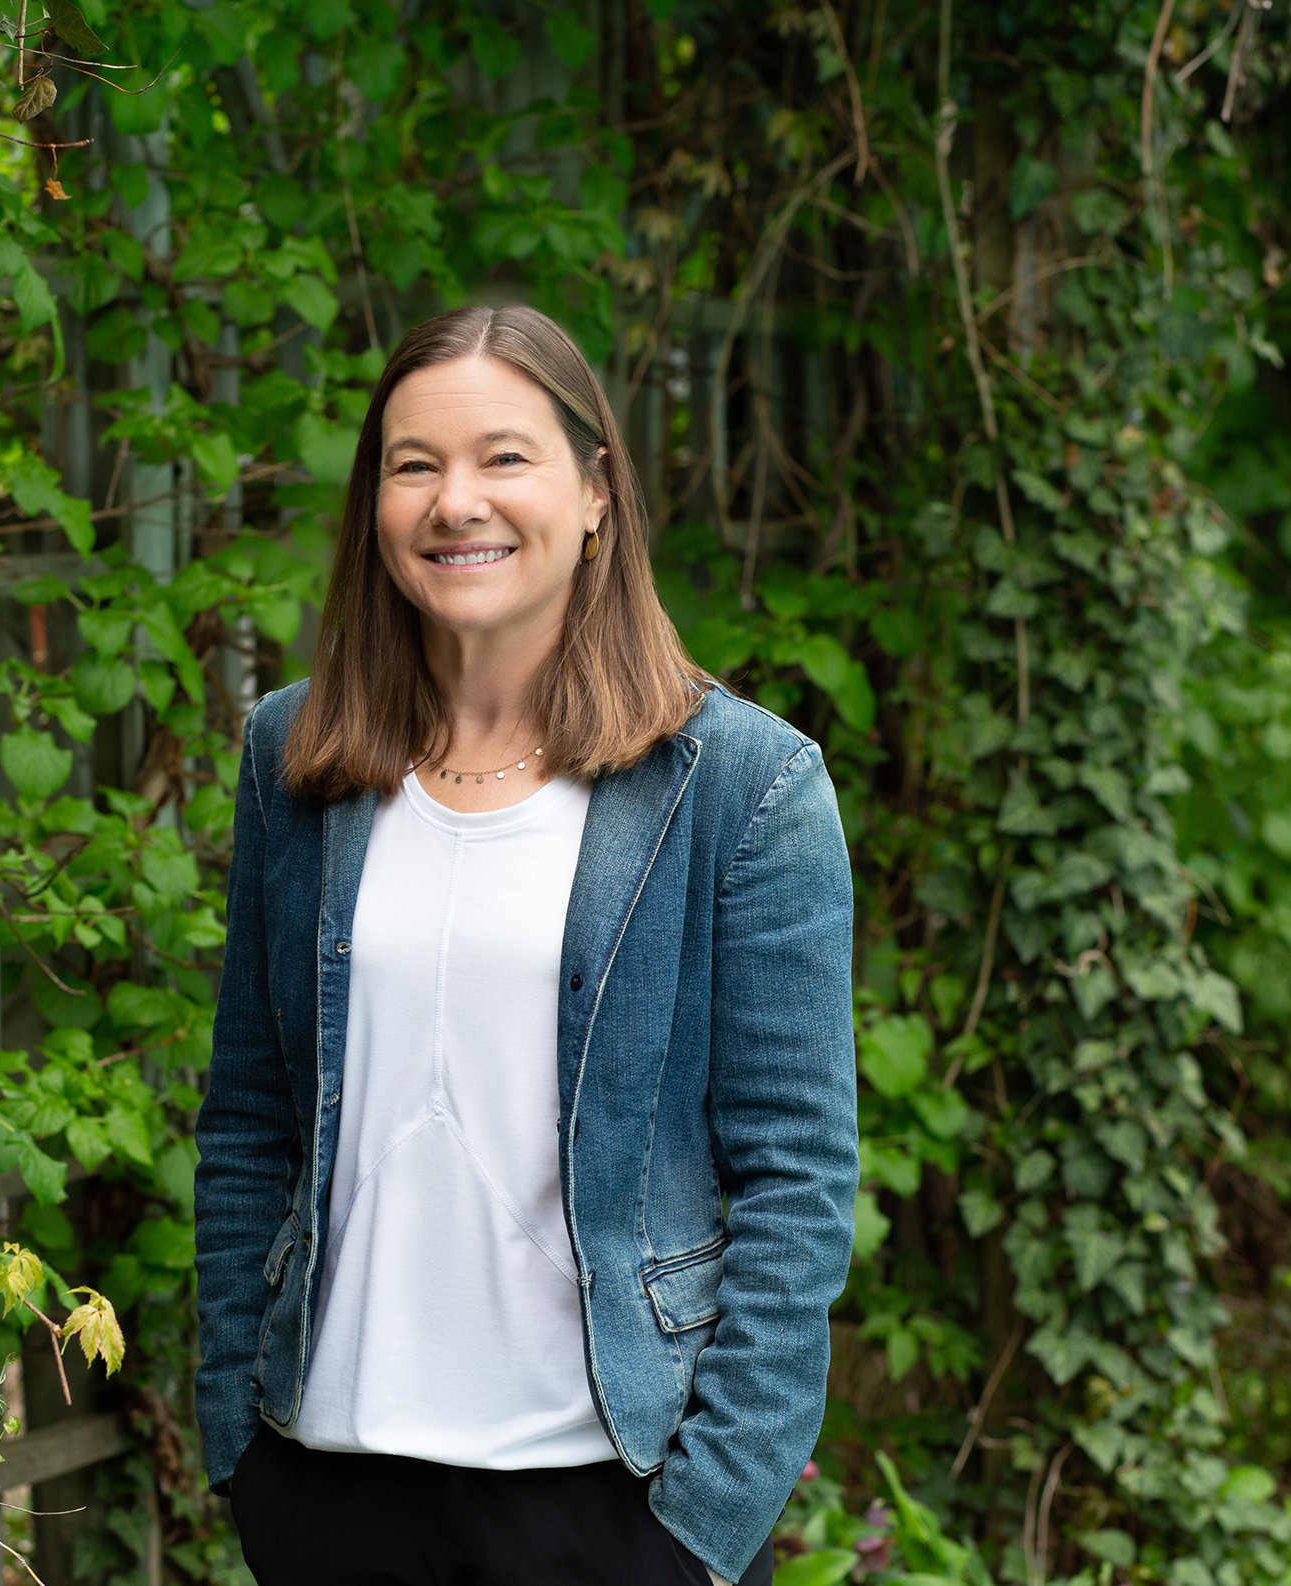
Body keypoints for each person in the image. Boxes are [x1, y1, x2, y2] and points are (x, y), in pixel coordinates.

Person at [193, 303, 859, 1586]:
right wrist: (238, 1436)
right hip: (325, 1488)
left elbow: (796, 1180)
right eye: (412, 464)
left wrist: (703, 1523)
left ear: (596, 488)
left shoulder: (738, 788)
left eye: (504, 457)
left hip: (608, 1507)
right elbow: (249, 1117)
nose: (456, 502)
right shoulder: (297, 756)